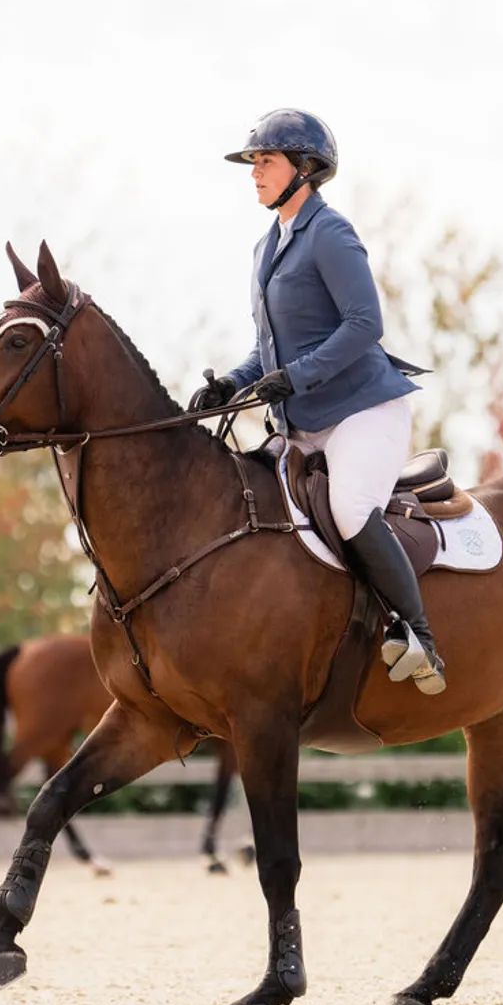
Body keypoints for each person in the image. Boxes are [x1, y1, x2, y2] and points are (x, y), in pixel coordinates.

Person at [188, 109, 445, 693]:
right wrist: (231, 383)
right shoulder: (265, 248)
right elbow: (267, 348)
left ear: (304, 168)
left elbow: (363, 324)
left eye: (266, 161)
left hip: (363, 410)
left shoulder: (330, 233)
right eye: (253, 162)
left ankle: (422, 637)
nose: (254, 172)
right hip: (303, 421)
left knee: (351, 507)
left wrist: (296, 376)